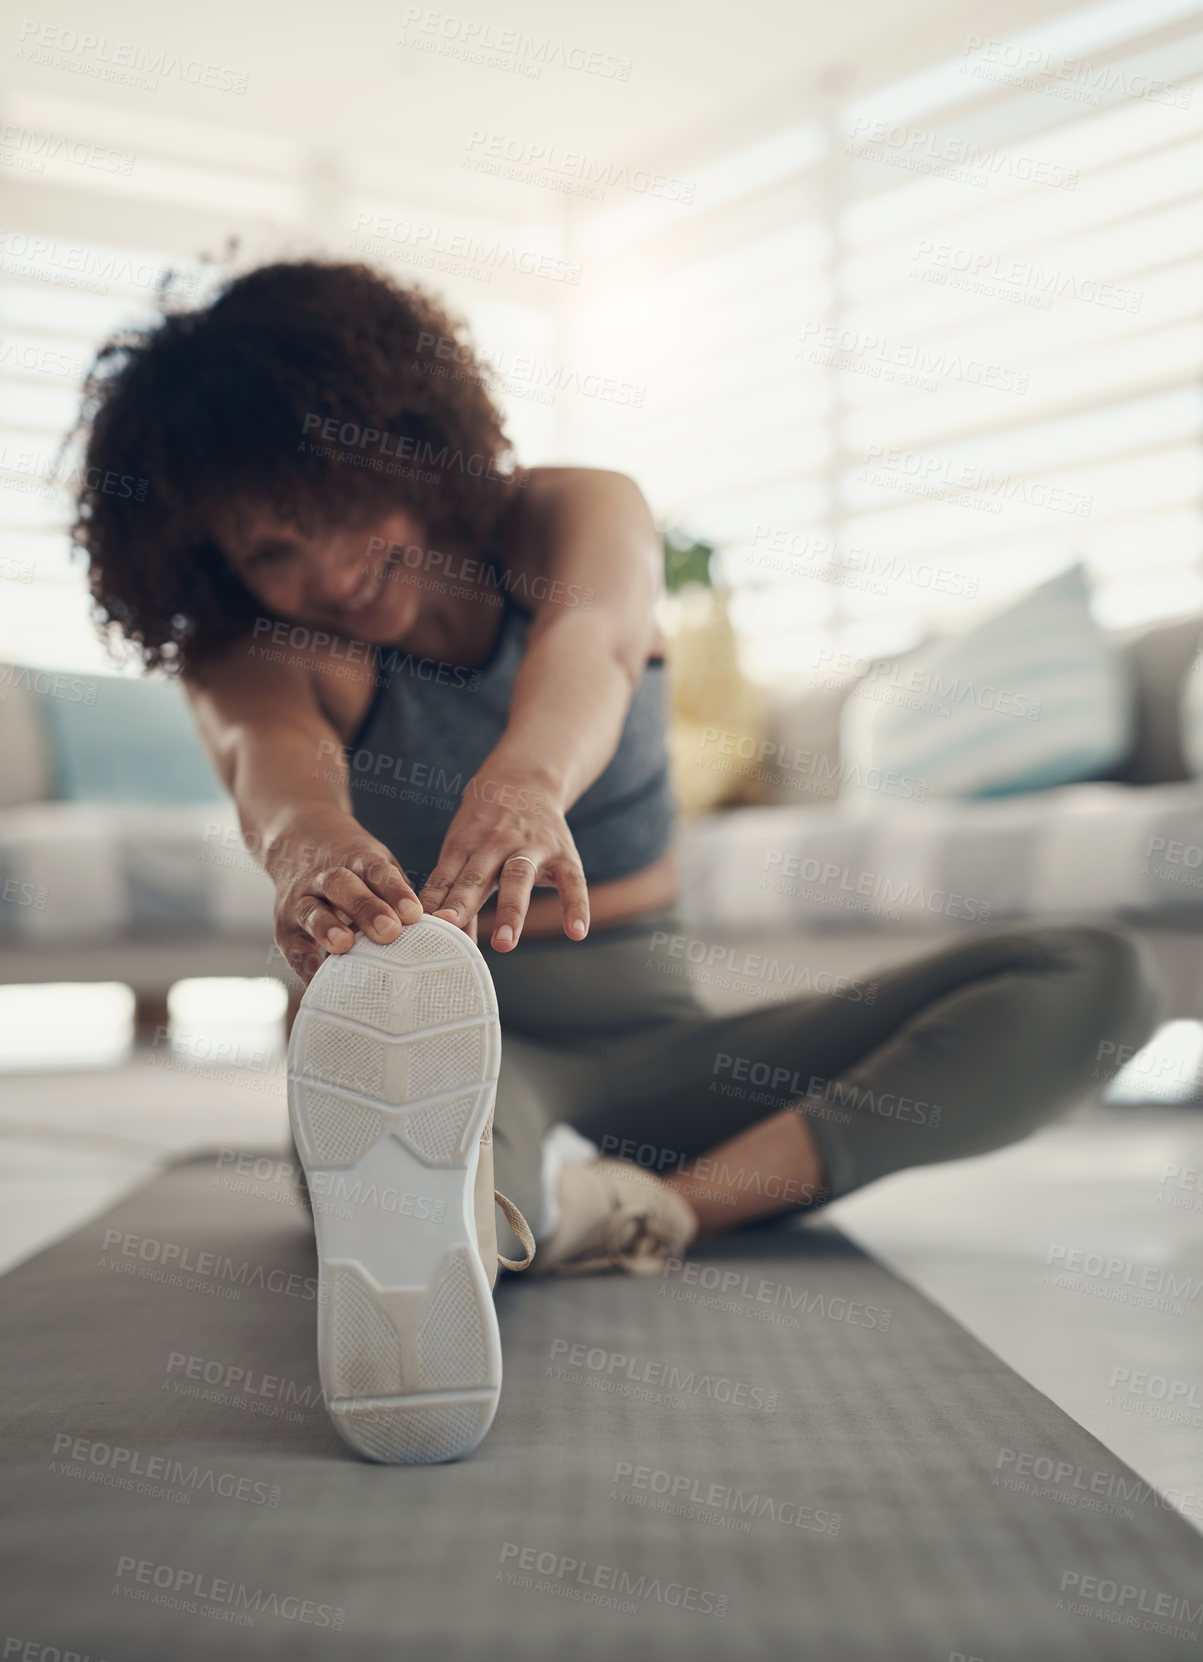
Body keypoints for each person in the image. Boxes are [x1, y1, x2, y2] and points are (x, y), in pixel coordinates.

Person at [69, 258, 1161, 1463]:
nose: (321, 574)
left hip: (660, 1044)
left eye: (334, 509)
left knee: (1102, 979)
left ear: (406, 444)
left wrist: (529, 784)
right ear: (218, 569)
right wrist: (308, 849)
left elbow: (590, 645)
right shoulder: (258, 646)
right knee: (428, 1186)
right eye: (271, 550)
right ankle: (467, 1227)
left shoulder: (571, 515)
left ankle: (647, 1211)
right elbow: (273, 763)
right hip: (452, 1049)